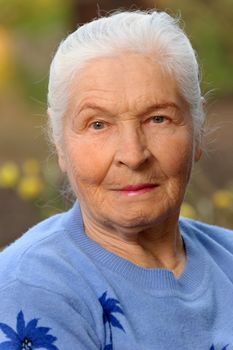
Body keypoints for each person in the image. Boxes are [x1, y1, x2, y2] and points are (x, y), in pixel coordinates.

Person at [0, 9, 232, 350]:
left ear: (196, 129)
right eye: (98, 124)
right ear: (59, 144)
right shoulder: (34, 287)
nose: (133, 154)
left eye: (157, 118)